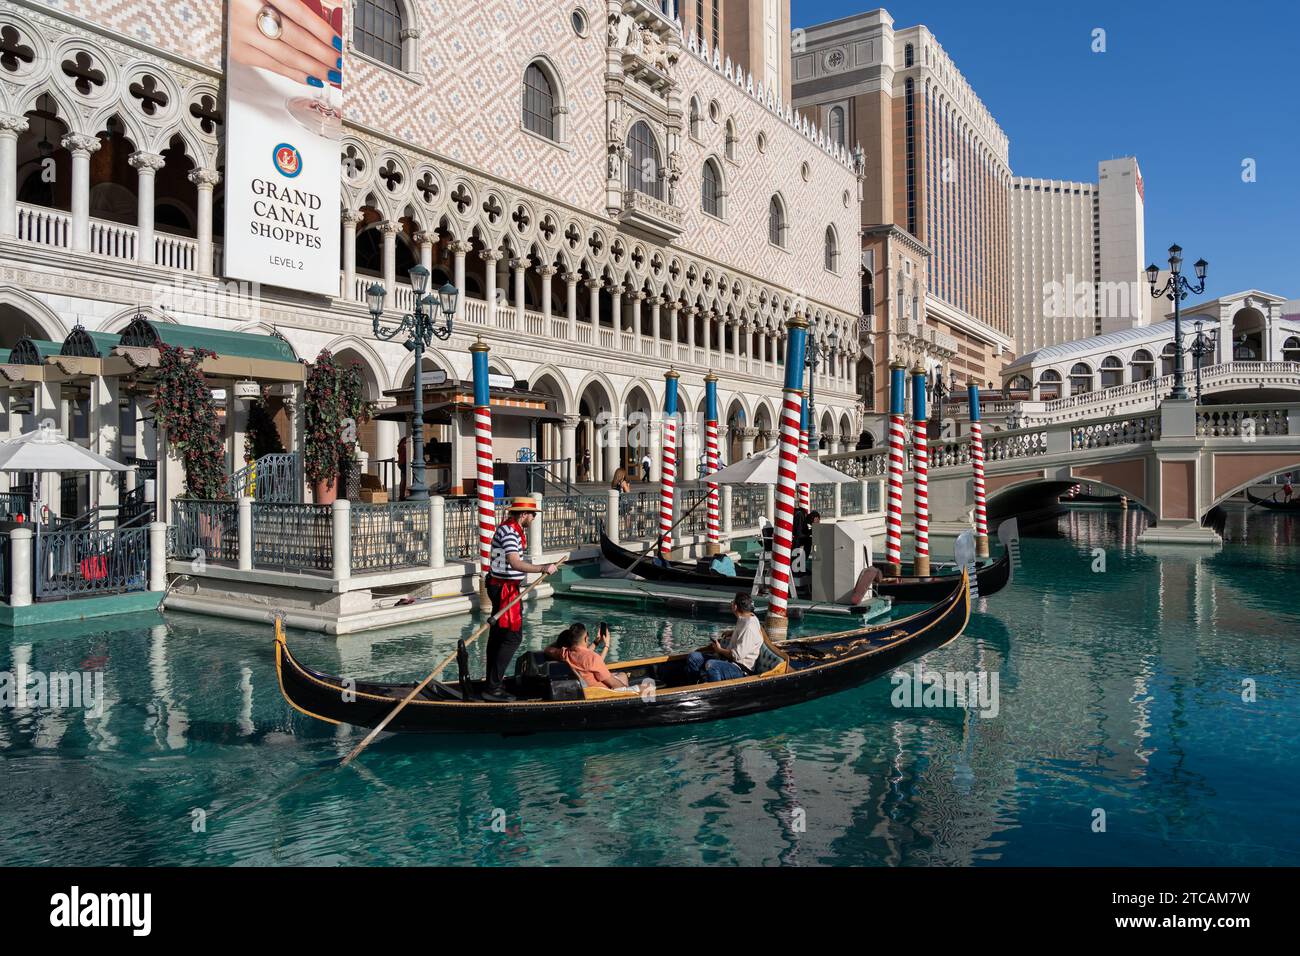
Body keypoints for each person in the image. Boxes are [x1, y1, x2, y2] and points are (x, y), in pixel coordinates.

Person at [483, 497, 557, 702]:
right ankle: (493, 687)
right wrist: (543, 568)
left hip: (503, 586)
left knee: (498, 635)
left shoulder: (512, 529)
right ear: (523, 514)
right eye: (532, 514)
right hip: (504, 589)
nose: (533, 518)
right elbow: (515, 563)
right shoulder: (509, 532)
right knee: (513, 637)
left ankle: (492, 682)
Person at [684, 593, 764, 683]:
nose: (731, 604)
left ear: (735, 607)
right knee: (693, 657)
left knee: (711, 665)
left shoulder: (749, 626)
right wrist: (733, 633)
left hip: (740, 668)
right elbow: (748, 636)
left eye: (732, 602)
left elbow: (737, 655)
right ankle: (695, 684)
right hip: (727, 660)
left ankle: (713, 692)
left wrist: (719, 650)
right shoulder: (745, 618)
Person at [545, 622, 629, 689]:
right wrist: (606, 645)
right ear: (586, 638)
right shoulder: (592, 658)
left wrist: (595, 643)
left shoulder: (564, 653)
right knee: (623, 676)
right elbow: (615, 685)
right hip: (601, 692)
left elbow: (547, 649)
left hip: (585, 688)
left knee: (621, 675)